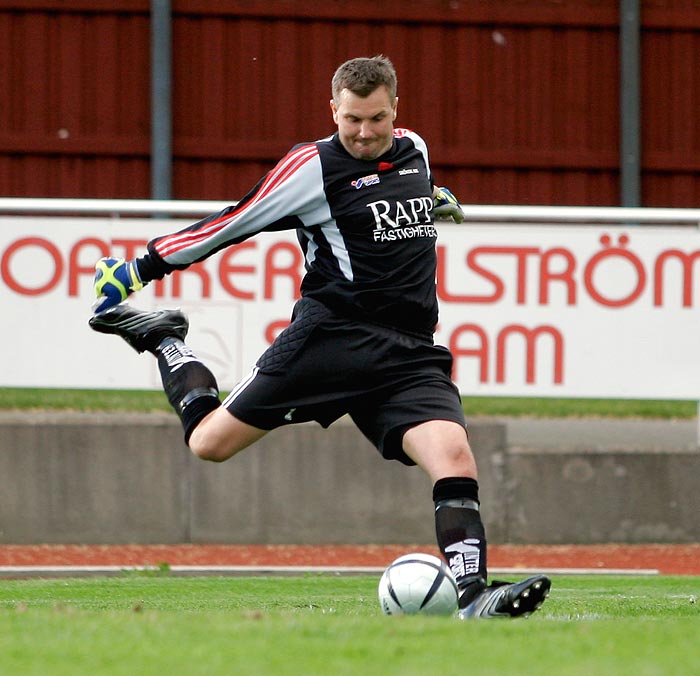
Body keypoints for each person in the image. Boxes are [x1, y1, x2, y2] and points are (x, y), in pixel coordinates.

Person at [89, 55, 550, 619]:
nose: (363, 132)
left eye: (376, 119)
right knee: (208, 444)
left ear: (395, 110)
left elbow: (398, 193)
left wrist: (432, 197)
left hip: (408, 352)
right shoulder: (310, 167)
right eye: (352, 119)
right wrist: (142, 266)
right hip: (331, 341)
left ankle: (476, 596)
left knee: (453, 454)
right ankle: (166, 339)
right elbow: (234, 221)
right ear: (334, 109)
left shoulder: (416, 150)